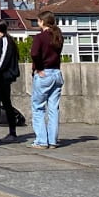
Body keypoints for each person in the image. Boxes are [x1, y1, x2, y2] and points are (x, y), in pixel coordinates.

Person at [30, 10, 64, 148]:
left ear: (42, 21)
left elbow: (34, 53)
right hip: (57, 73)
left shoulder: (40, 37)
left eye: (38, 21)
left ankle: (41, 140)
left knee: (38, 108)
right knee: (53, 109)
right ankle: (53, 140)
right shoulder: (58, 36)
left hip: (44, 74)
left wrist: (38, 68)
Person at [0, 19, 21, 140]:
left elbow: (3, 60)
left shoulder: (5, 41)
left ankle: (12, 132)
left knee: (4, 104)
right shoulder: (0, 41)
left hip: (3, 77)